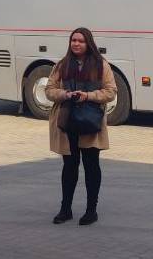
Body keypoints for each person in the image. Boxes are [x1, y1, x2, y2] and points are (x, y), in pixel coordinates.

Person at [45, 28, 117, 226]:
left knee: (91, 166)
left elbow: (111, 92)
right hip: (67, 121)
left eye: (81, 41)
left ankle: (91, 210)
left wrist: (88, 96)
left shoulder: (101, 65)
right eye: (73, 40)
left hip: (90, 121)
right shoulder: (62, 64)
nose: (76, 44)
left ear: (89, 43)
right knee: (69, 166)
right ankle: (65, 209)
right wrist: (65, 94)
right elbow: (49, 90)